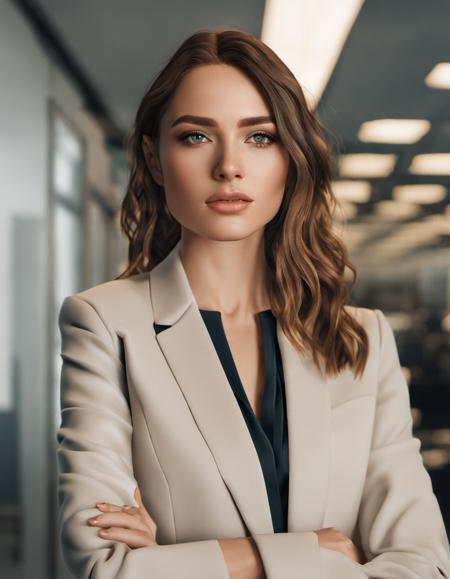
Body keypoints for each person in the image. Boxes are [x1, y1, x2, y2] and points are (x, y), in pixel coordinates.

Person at [56, 27, 450, 579]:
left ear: (291, 157)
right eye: (196, 137)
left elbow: (424, 565)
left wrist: (176, 559)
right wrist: (316, 552)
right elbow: (105, 567)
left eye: (259, 137)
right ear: (153, 155)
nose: (229, 166)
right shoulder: (106, 325)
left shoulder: (364, 336)